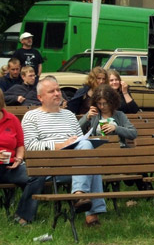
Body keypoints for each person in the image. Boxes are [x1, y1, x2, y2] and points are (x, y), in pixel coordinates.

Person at [22, 76, 106, 227]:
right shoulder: (31, 117)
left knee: (88, 151)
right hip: (47, 166)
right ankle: (91, 213)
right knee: (91, 163)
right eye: (51, 91)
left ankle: (80, 196)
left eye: (58, 90)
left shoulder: (69, 115)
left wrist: (80, 142)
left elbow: (81, 142)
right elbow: (31, 146)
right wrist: (60, 145)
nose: (57, 94)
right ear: (40, 97)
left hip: (74, 165)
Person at [0, 85, 45, 225]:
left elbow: (20, 144)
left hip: (9, 166)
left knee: (37, 174)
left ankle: (23, 217)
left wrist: (19, 158)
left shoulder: (12, 119)